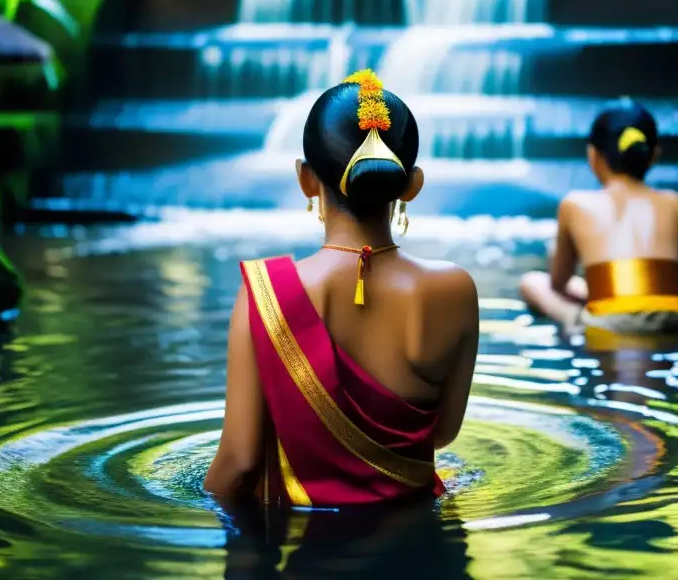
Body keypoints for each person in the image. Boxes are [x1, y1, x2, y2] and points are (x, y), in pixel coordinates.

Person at [204, 69, 480, 507]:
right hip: (415, 532)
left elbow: (239, 462)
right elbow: (442, 433)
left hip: (306, 542)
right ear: (412, 185)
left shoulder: (265, 293)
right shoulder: (456, 290)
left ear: (305, 179)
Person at [519, 101, 678, 337]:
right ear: (654, 155)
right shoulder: (674, 202)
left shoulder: (575, 203)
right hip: (672, 317)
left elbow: (558, 283)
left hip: (612, 323)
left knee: (532, 283)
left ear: (593, 155)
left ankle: (576, 322)